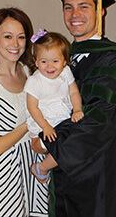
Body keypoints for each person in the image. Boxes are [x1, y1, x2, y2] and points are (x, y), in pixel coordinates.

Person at [32, 0, 116, 217]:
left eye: (83, 6)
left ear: (100, 11)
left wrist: (49, 145)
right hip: (66, 177)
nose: (74, 15)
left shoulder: (110, 59)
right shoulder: (63, 58)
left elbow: (98, 123)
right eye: (68, 7)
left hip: (95, 182)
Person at [0, 7, 48, 216]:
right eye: (8, 36)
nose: (15, 44)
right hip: (5, 173)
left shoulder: (31, 73)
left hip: (36, 165)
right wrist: (30, 122)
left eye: (21, 37)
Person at [23, 31, 84, 183]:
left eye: (55, 61)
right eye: (44, 62)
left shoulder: (66, 72)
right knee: (58, 145)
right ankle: (43, 167)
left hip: (62, 117)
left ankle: (42, 167)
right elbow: (32, 107)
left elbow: (74, 92)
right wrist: (46, 127)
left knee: (72, 144)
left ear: (64, 61)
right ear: (36, 62)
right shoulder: (34, 81)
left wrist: (77, 109)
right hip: (43, 122)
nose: (49, 66)